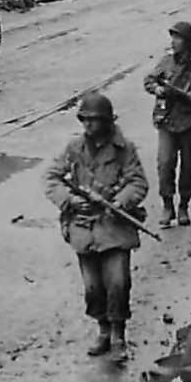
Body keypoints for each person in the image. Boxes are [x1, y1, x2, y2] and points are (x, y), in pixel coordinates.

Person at [43, 92, 148, 361]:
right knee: (93, 287)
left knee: (118, 282)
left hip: (114, 226)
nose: (87, 125)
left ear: (106, 121)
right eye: (84, 120)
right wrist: (71, 201)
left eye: (93, 120)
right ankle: (102, 330)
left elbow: (138, 183)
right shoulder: (74, 149)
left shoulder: (125, 150)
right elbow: (51, 178)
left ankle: (118, 335)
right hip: (84, 227)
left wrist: (119, 202)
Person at [143, 21, 191, 226]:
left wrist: (187, 96)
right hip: (167, 120)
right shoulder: (166, 62)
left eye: (178, 38)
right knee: (164, 163)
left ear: (189, 42)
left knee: (188, 165)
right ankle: (167, 205)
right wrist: (156, 89)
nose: (173, 42)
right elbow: (149, 80)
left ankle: (184, 205)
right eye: (173, 38)